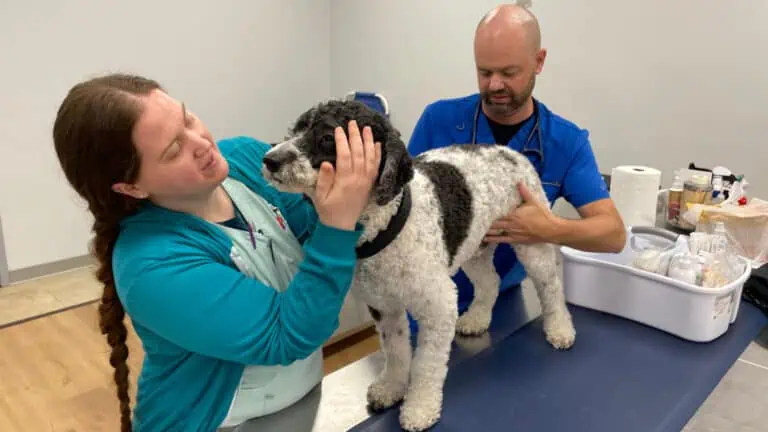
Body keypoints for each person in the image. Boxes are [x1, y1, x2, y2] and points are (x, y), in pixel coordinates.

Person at [52, 73, 381, 431]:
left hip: (297, 401)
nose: (202, 143)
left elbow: (314, 228)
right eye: (174, 149)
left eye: (188, 118)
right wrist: (339, 224)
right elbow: (288, 332)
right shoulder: (152, 266)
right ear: (131, 186)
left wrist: (352, 200)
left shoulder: (245, 159)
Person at [408, 4, 626, 316]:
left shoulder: (566, 142)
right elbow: (401, 203)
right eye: (484, 72)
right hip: (426, 297)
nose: (494, 85)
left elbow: (613, 235)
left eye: (509, 73)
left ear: (539, 62)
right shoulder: (438, 121)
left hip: (503, 305)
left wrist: (549, 228)